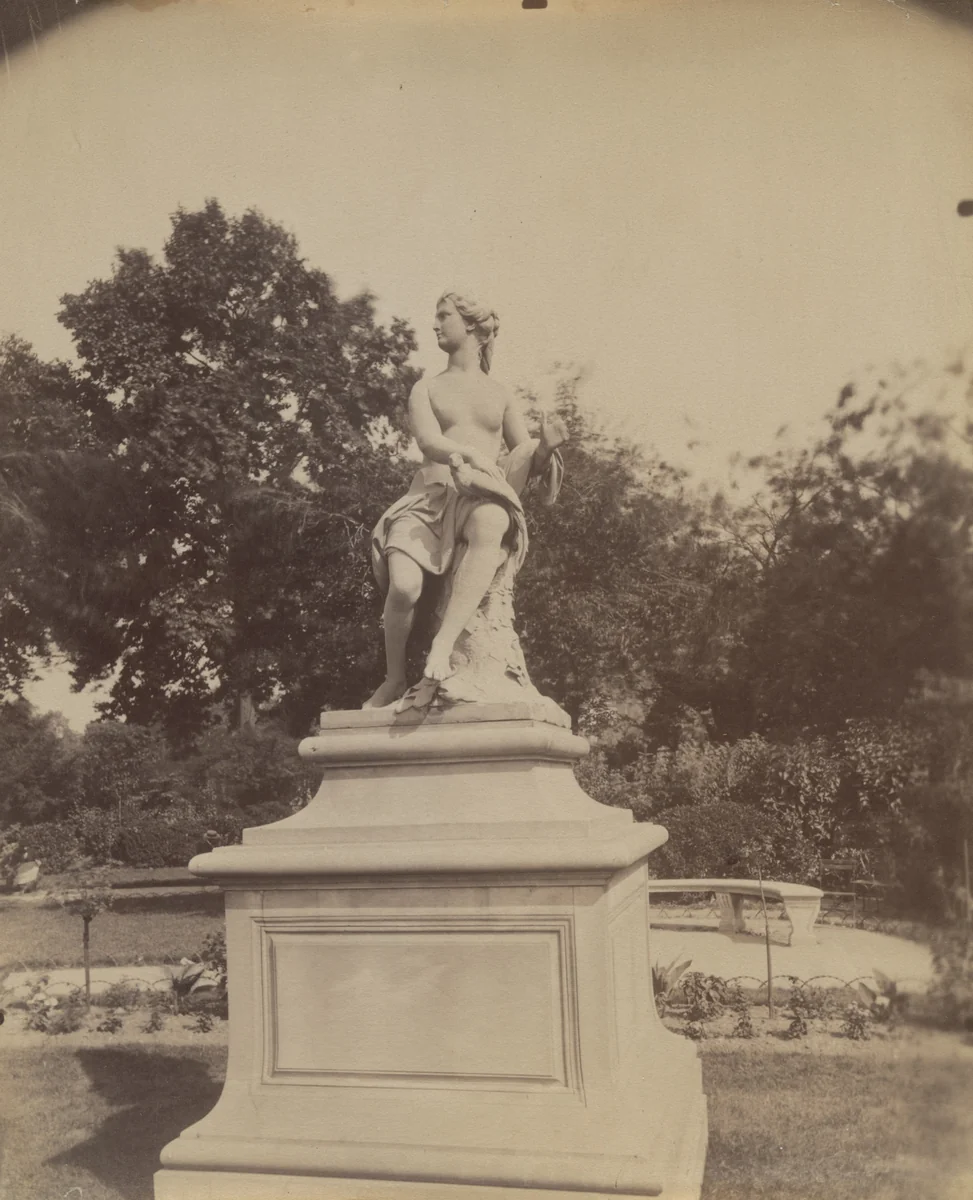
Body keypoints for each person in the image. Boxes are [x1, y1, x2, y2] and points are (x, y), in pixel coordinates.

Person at [364, 289, 567, 709]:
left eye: (443, 316)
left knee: (493, 521)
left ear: (471, 325)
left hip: (477, 494)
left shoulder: (500, 393)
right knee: (403, 584)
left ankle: (443, 644)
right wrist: (468, 454)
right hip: (429, 496)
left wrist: (545, 449)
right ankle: (395, 677)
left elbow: (521, 458)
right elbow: (428, 440)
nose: (435, 324)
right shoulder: (427, 388)